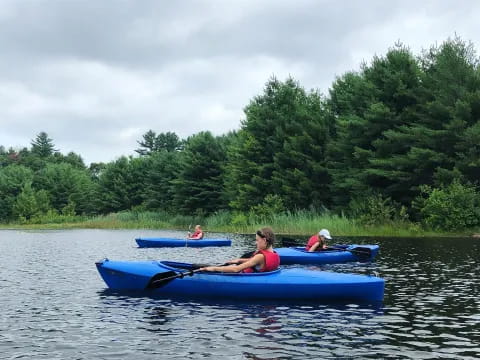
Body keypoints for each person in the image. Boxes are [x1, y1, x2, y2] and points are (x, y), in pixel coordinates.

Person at [200, 227, 280, 273]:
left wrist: (213, 268)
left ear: (264, 240)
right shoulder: (275, 254)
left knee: (211, 268)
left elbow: (236, 269)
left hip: (244, 277)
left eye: (257, 240)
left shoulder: (260, 256)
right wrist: (239, 260)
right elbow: (254, 261)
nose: (256, 243)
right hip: (262, 277)